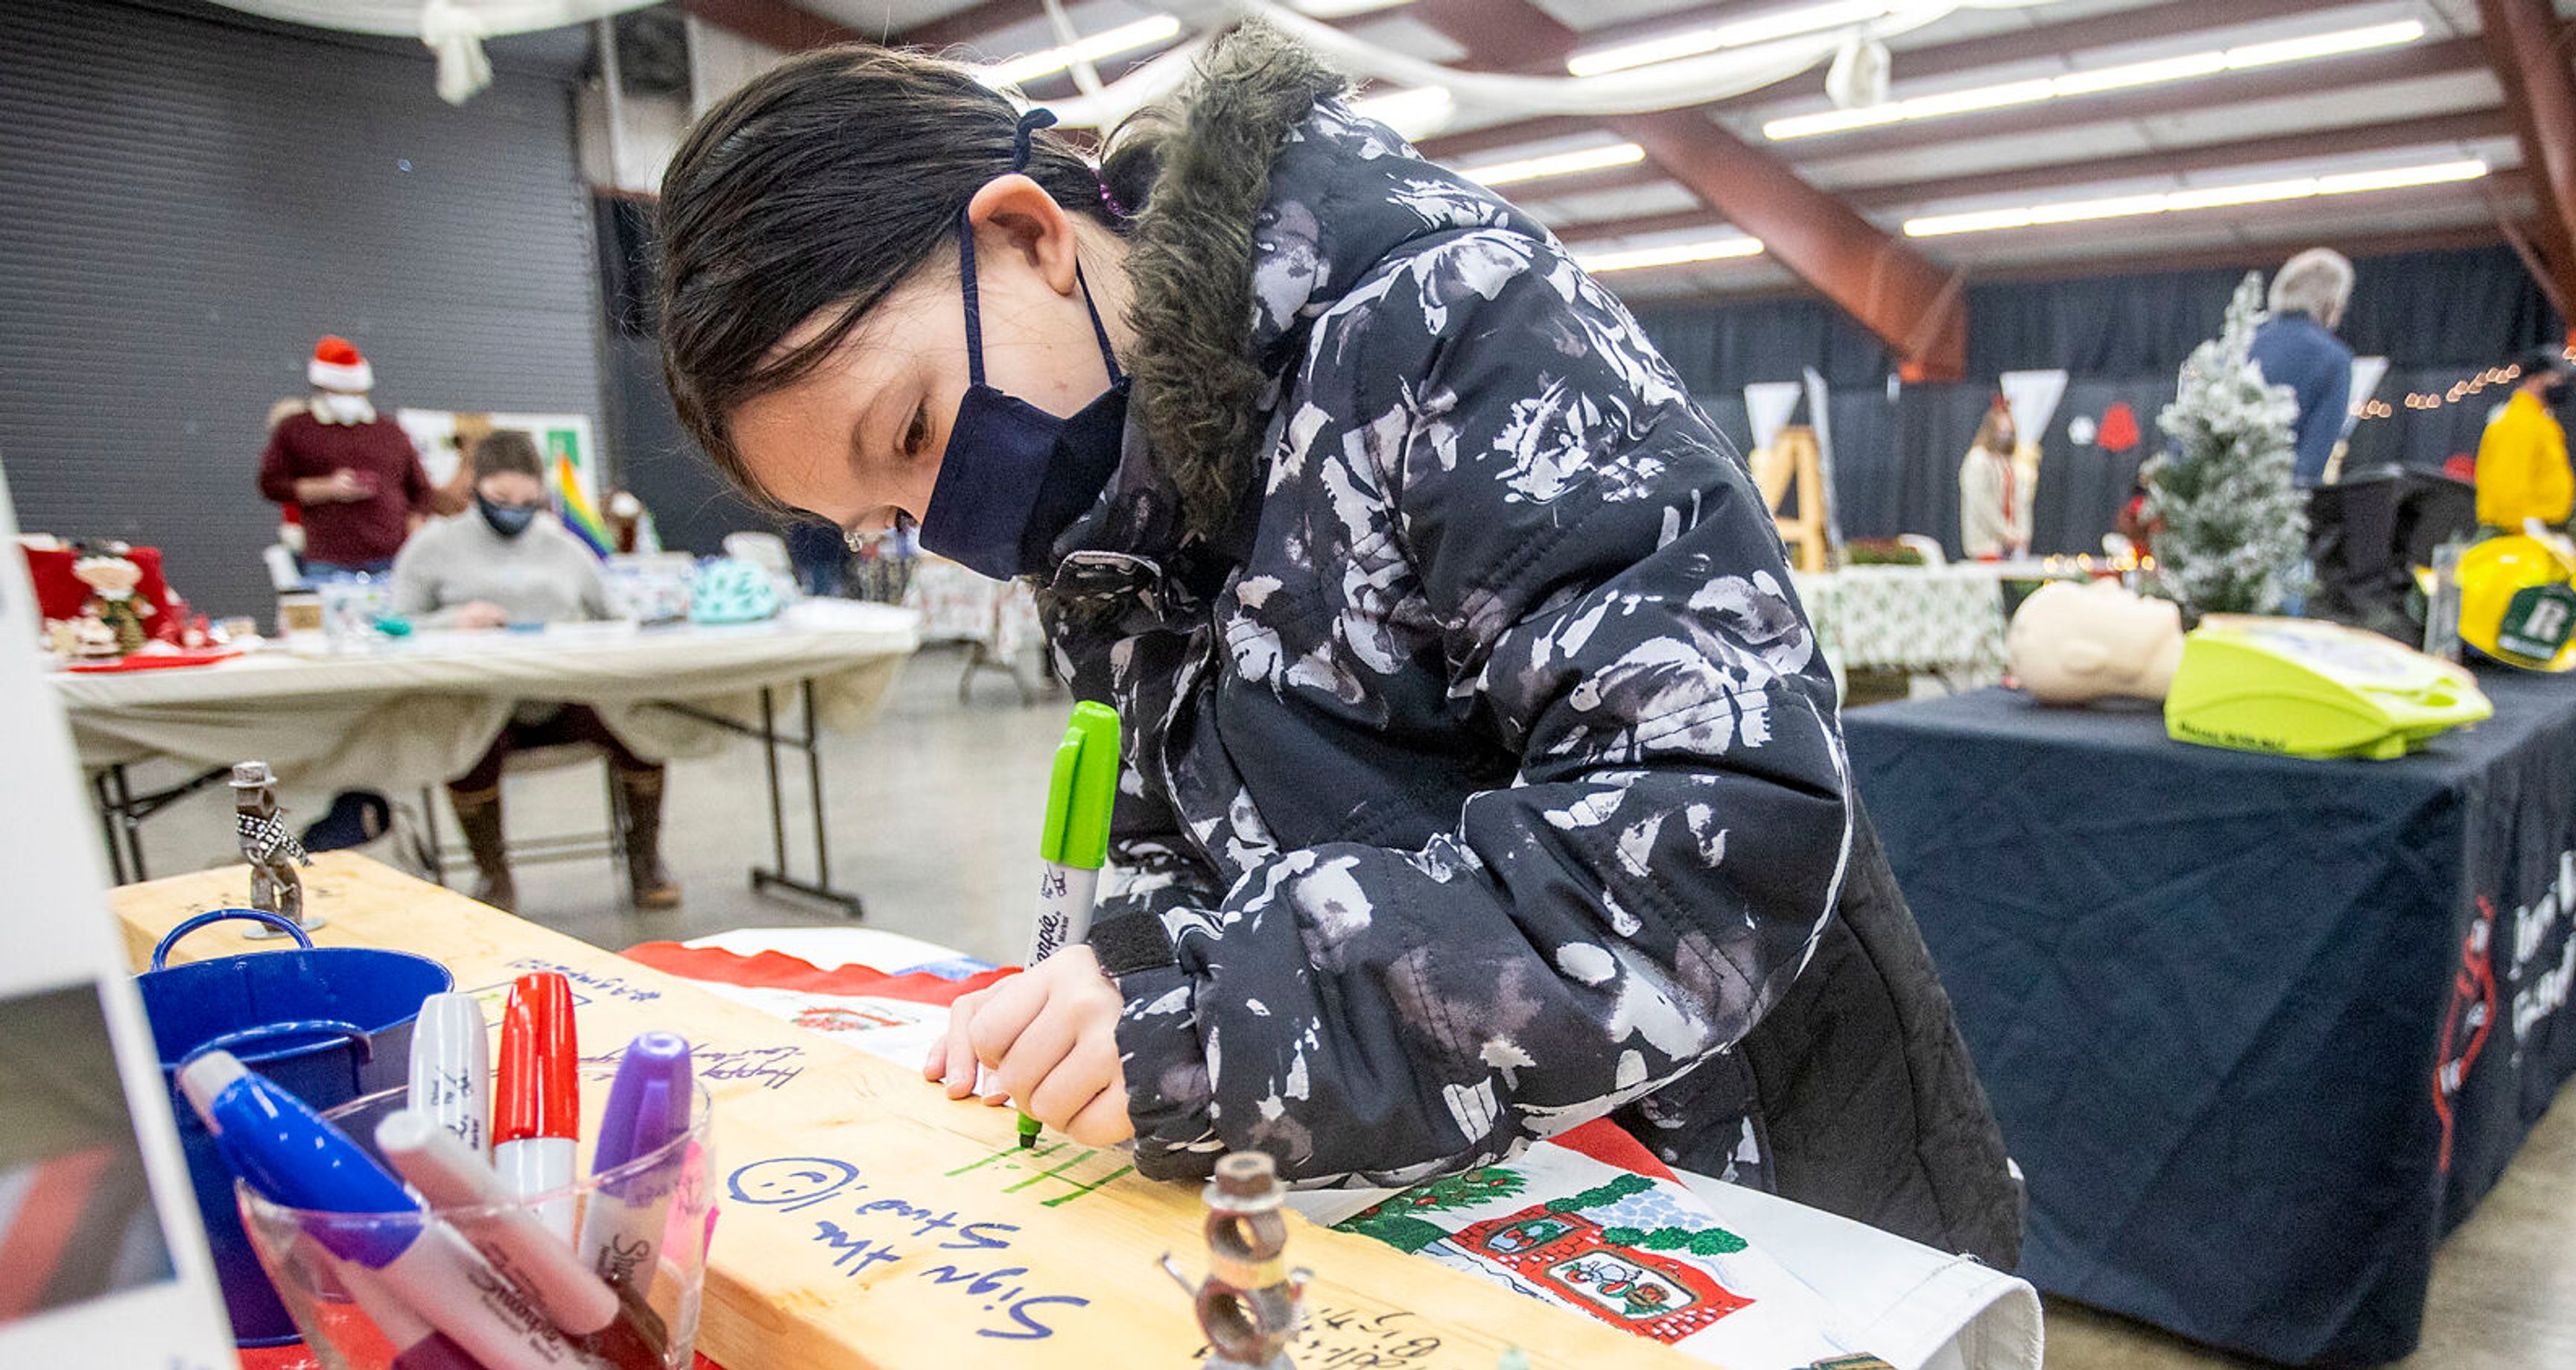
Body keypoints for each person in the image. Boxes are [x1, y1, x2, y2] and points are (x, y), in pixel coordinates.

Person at [649, 30, 2023, 1261]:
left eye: (911, 434)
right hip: (1465, 1194)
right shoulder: (1102, 511)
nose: (947, 523)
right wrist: (1116, 977)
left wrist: (1210, 1030)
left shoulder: (1444, 320)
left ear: (1026, 235)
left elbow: (1710, 820)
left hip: (1751, 1185)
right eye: (886, 517)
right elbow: (1176, 849)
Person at [390, 430, 683, 915]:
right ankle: (493, 873)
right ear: (475, 488)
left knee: (643, 723)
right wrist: (451, 621)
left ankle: (646, 859)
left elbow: (615, 614)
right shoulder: (434, 547)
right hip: (482, 702)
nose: (515, 510)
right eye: (502, 498)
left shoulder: (564, 546)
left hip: (565, 695)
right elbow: (392, 626)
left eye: (529, 500)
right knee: (461, 741)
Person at [255, 336, 436, 578]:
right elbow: (271, 484)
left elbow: (422, 491)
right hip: (329, 561)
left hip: (391, 560)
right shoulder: (296, 429)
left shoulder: (390, 432)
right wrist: (327, 488)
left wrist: (414, 534)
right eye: (340, 391)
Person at [2250, 248, 2355, 486]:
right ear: (2333, 302)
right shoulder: (2334, 359)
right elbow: (2310, 465)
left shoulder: (2236, 345)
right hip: (2274, 507)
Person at [2475, 349, 2576, 530]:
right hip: (2518, 534)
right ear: (2534, 380)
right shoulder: (2518, 423)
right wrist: (2528, 531)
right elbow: (2508, 488)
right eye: (2558, 378)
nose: (2563, 384)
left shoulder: (2538, 420)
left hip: (2532, 530)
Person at [1958, 401, 2028, 559]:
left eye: (2010, 433)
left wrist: (2021, 533)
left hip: (2012, 546)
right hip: (1986, 545)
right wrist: (2005, 533)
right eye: (2002, 432)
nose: (2006, 437)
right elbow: (1982, 504)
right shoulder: (1978, 460)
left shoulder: (2009, 462)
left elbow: (2021, 501)